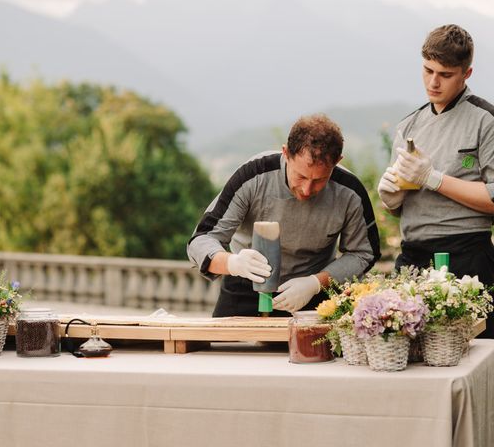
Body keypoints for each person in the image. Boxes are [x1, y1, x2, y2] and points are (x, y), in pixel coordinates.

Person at [187, 114, 381, 317]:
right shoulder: (253, 175)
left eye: (320, 180)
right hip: (244, 287)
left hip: (312, 296)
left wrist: (316, 283)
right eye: (301, 176)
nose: (307, 190)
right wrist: (233, 263)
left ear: (338, 162)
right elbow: (201, 240)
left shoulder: (350, 192)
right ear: (286, 153)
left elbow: (363, 253)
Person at [378, 24, 494, 338]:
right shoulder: (408, 124)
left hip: (467, 258)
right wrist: (390, 198)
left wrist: (433, 178)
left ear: (466, 73)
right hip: (413, 257)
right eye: (428, 70)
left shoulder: (486, 120)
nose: (433, 82)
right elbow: (397, 207)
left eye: (445, 74)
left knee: (477, 353)